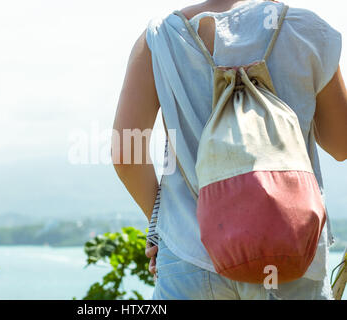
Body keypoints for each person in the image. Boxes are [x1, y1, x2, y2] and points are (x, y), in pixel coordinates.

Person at [111, 0, 347, 299]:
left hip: (189, 256)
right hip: (290, 256)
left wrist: (162, 224)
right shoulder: (306, 30)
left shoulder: (159, 39)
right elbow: (341, 144)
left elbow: (125, 155)